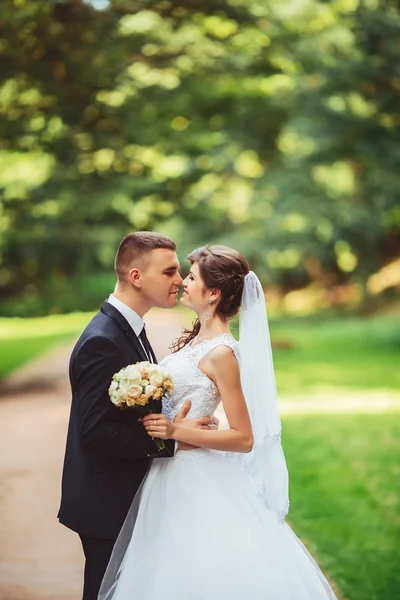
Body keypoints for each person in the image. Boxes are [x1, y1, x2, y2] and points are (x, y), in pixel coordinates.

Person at [99, 244, 338, 600]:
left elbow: (244, 437)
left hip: (196, 478)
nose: (182, 282)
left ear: (213, 293)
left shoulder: (222, 353)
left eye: (191, 277)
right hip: (169, 472)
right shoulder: (196, 339)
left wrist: (177, 431)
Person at [58, 232, 216, 600]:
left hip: (125, 496)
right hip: (107, 504)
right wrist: (174, 439)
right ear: (136, 277)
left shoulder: (129, 327)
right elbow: (95, 434)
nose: (180, 280)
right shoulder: (103, 339)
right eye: (170, 272)